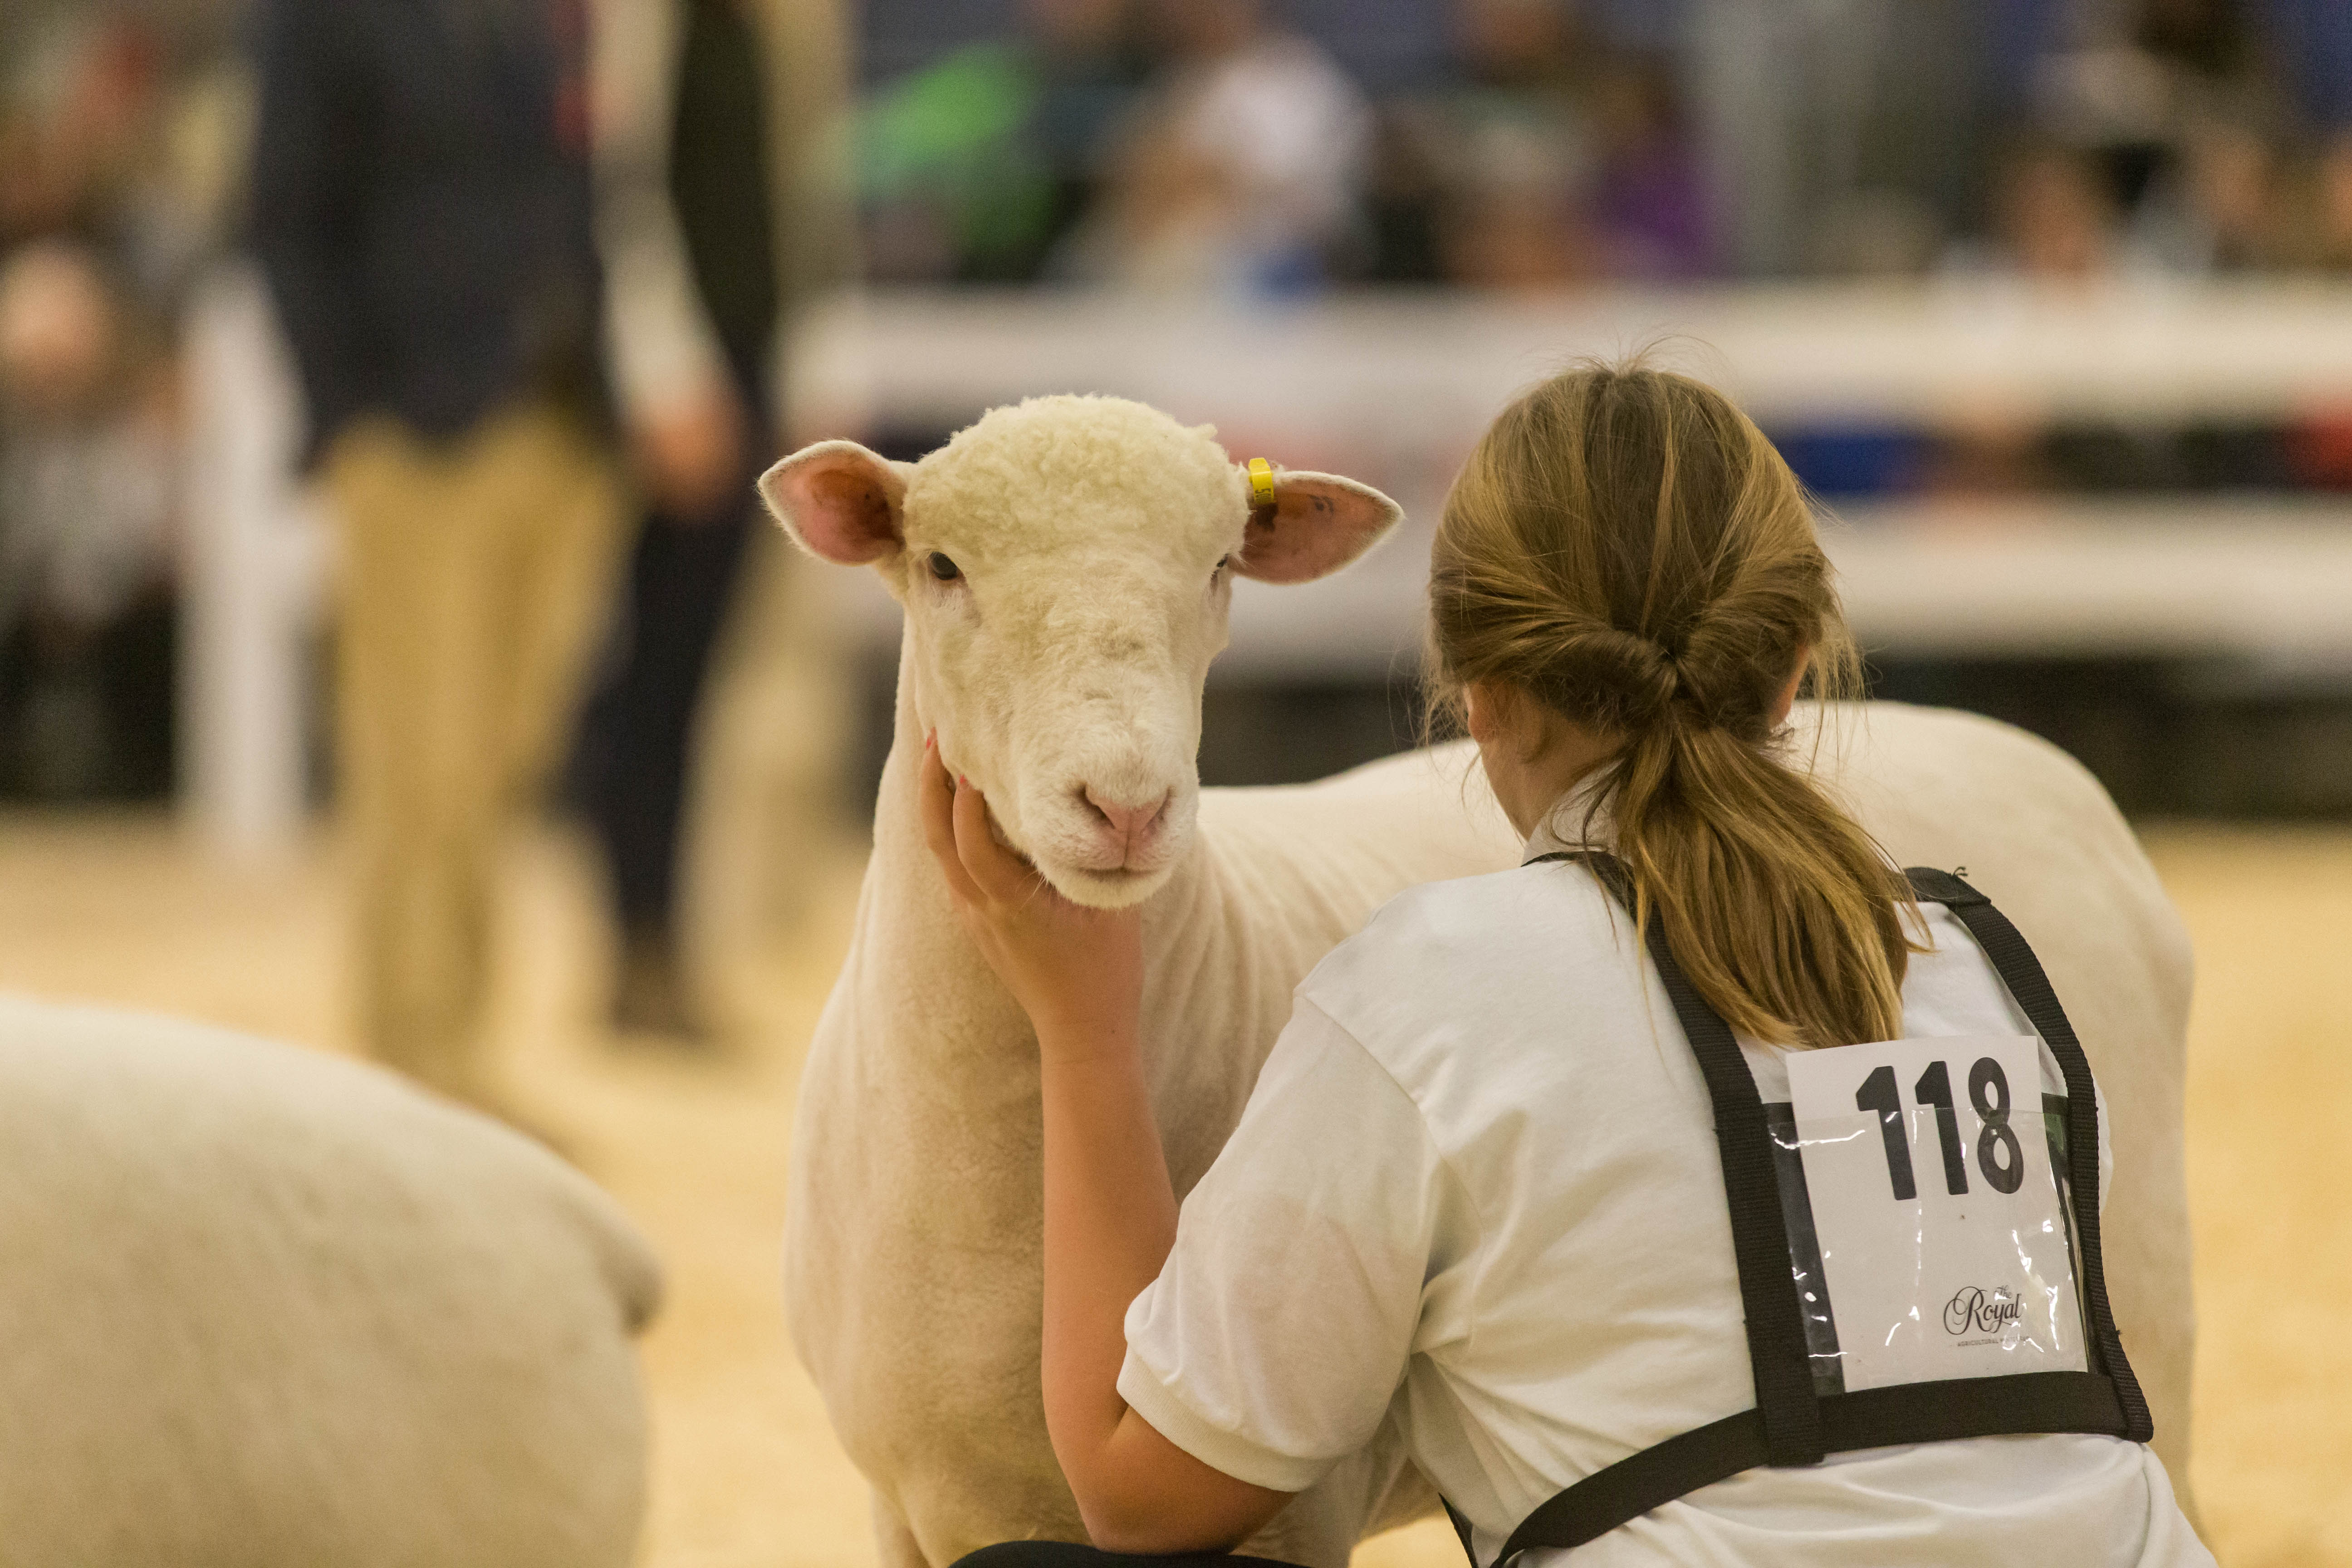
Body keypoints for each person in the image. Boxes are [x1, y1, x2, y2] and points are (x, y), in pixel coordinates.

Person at [921, 364, 2213, 1565]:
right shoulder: (1983, 968)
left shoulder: (1430, 994)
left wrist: (1086, 1034)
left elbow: (1138, 1497)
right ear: (1793, 676)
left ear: (1475, 692)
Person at [250, 0, 623, 1109]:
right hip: (415, 433)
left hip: (560, 426)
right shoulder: (324, 20)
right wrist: (347, 413)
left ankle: (464, 1046)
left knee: (509, 752)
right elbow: (283, 215)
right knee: (420, 756)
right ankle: (412, 1061)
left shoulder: (538, 19)